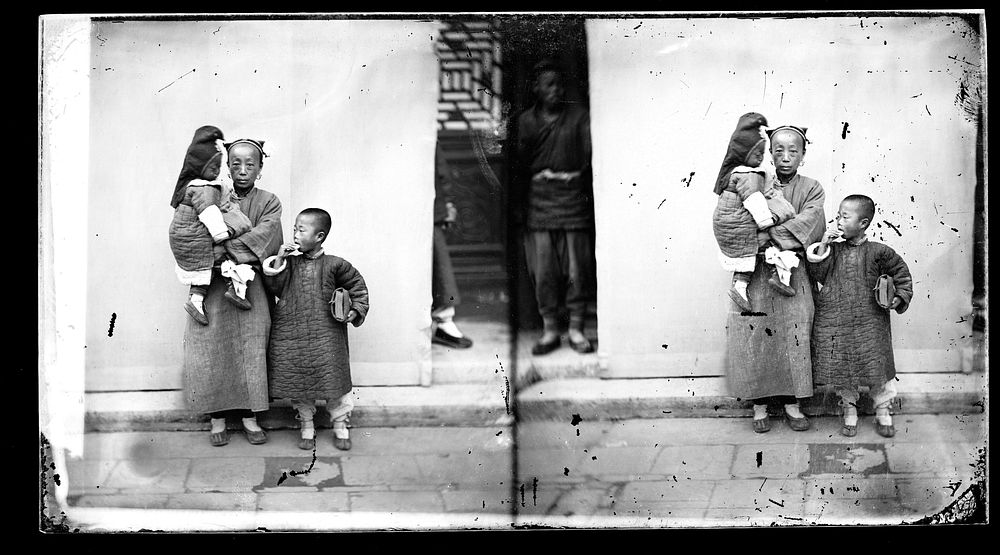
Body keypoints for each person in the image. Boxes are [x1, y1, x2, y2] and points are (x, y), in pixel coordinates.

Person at [181, 137, 283, 447]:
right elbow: (191, 230)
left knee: (250, 349)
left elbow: (264, 238)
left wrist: (223, 248)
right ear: (226, 165)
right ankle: (217, 418)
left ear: (260, 168)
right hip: (212, 286)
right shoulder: (211, 194)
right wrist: (210, 248)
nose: (242, 170)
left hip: (250, 289)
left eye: (250, 164)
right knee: (211, 349)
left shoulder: (270, 201)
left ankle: (250, 416)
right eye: (235, 163)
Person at [724, 124, 826, 433]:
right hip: (756, 272)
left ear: (803, 155)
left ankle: (793, 402)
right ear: (770, 153)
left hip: (794, 275)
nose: (785, 157)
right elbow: (735, 221)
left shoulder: (813, 187)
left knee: (795, 335)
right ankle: (759, 404)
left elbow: (809, 226)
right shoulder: (755, 181)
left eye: (793, 151)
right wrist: (756, 234)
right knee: (756, 334)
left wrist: (766, 233)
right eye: (778, 150)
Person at [805, 194, 913, 438]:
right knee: (843, 368)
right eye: (838, 216)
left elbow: (901, 275)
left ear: (863, 223)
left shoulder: (879, 252)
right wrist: (823, 243)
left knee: (877, 366)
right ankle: (849, 411)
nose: (839, 221)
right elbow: (818, 273)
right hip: (837, 320)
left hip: (870, 322)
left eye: (845, 216)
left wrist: (899, 297)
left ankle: (883, 411)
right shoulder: (833, 251)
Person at [262, 208, 370, 451]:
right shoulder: (288, 264)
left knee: (334, 381)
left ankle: (340, 425)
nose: (296, 234)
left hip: (326, 335)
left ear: (319, 236)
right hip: (292, 333)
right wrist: (279, 258)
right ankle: (307, 425)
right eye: (295, 229)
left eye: (302, 230)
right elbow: (275, 286)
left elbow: (357, 287)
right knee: (299, 382)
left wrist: (355, 310)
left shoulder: (335, 265)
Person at [516, 60, 596, 355]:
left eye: (559, 84)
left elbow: (590, 158)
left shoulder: (579, 117)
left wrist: (567, 175)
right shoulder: (526, 121)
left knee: (577, 269)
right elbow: (519, 164)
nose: (556, 90)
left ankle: (576, 329)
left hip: (573, 200)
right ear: (536, 88)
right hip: (539, 202)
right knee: (545, 271)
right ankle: (550, 329)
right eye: (549, 84)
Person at [168, 126, 256, 325]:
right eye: (212, 168)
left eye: (218, 167)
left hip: (184, 235)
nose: (217, 172)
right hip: (194, 236)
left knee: (202, 270)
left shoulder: (188, 186)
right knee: (219, 256)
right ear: (200, 168)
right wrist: (221, 233)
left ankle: (198, 300)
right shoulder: (203, 188)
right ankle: (231, 289)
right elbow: (209, 212)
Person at [712, 113, 799, 312]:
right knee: (765, 241)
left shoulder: (732, 172)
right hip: (738, 222)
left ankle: (741, 287)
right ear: (743, 154)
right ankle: (775, 276)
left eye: (762, 153)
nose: (761, 158)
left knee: (747, 256)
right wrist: (766, 220)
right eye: (756, 154)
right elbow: (753, 199)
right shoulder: (747, 174)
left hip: (728, 221)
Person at [431, 145, 473, 349]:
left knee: (439, 263)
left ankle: (444, 321)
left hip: (430, 207)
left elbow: (441, 171)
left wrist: (447, 203)